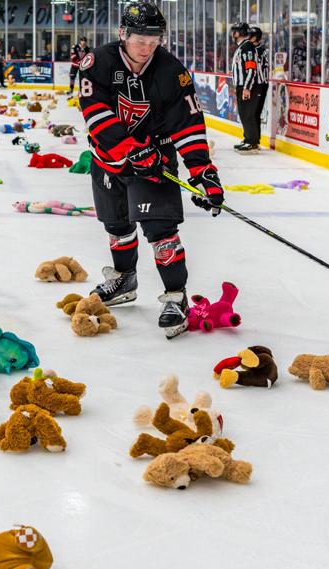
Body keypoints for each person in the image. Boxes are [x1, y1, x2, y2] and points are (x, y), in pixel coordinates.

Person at [78, 1, 225, 339]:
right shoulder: (97, 63)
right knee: (116, 225)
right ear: (123, 35)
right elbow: (96, 114)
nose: (146, 47)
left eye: (154, 40)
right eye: (140, 39)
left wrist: (203, 172)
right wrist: (131, 150)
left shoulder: (171, 71)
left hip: (155, 162)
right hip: (108, 159)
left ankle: (176, 297)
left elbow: (188, 124)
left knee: (161, 232)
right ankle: (124, 280)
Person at [230, 23, 266, 151]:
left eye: (234, 31)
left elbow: (251, 69)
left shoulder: (247, 47)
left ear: (238, 33)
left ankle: (252, 141)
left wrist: (247, 88)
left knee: (248, 114)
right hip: (244, 86)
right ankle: (249, 139)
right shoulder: (243, 47)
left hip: (250, 86)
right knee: (244, 113)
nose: (232, 34)